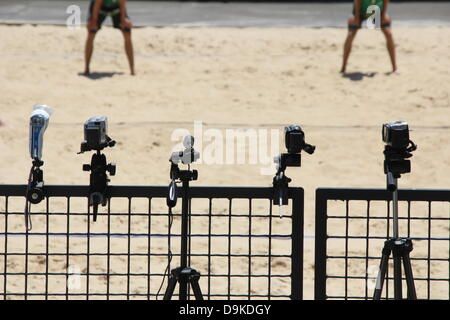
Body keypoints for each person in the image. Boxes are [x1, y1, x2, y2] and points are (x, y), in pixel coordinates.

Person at [340, 0, 397, 73]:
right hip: (360, 10)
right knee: (350, 34)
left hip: (374, 10)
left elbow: (385, 1)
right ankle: (343, 68)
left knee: (388, 34)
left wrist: (383, 15)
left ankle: (394, 68)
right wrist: (356, 17)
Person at [84, 0, 135, 75]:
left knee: (127, 32)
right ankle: (87, 69)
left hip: (115, 6)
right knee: (91, 32)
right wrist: (93, 21)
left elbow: (122, 2)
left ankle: (132, 70)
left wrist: (123, 19)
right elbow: (97, 3)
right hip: (99, 6)